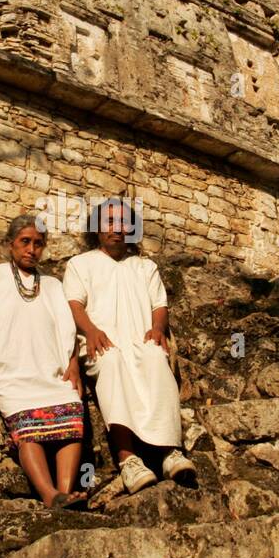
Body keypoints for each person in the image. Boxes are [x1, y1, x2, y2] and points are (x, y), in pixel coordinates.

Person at [0, 215, 88, 509]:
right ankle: (50, 495)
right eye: (25, 242)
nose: (31, 249)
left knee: (73, 416)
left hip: (49, 371)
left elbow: (68, 330)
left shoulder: (52, 284)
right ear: (10, 244)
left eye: (38, 244)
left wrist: (73, 363)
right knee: (28, 431)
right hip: (9, 373)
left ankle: (66, 492)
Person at [63, 197, 197, 494]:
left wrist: (158, 329)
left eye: (123, 222)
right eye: (109, 221)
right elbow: (74, 304)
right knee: (111, 364)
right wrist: (91, 330)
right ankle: (129, 460)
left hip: (140, 338)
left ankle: (169, 453)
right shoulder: (79, 265)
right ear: (97, 228)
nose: (117, 228)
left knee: (155, 359)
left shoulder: (144, 267)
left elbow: (159, 305)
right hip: (102, 342)